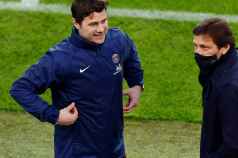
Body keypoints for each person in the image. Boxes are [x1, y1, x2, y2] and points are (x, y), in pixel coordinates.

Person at [10, 0, 144, 157]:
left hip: (115, 149)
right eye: (93, 24)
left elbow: (130, 52)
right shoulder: (60, 58)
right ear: (76, 23)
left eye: (104, 21)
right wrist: (55, 115)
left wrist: (136, 83)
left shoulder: (117, 39)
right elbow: (20, 89)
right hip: (78, 153)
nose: (101, 29)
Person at [192, 18, 238, 158]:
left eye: (204, 47)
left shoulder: (227, 88)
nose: (198, 52)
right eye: (195, 45)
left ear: (225, 47)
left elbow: (234, 145)